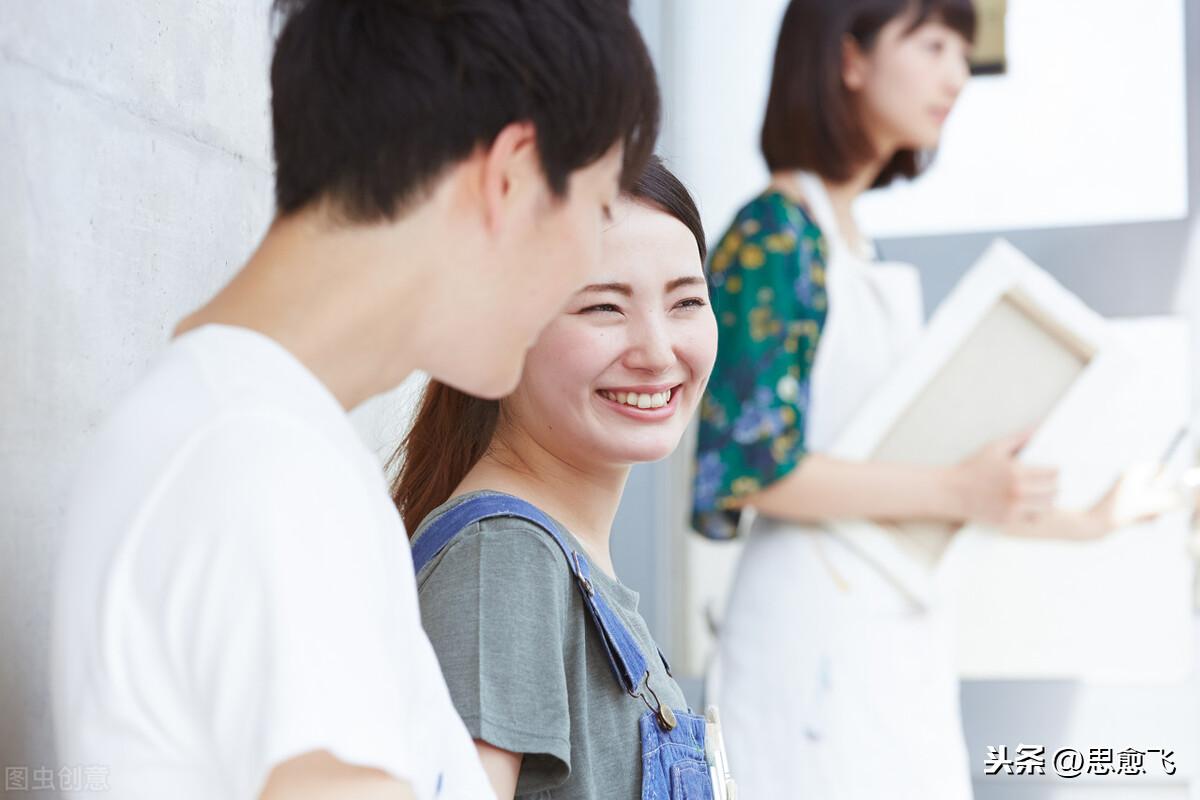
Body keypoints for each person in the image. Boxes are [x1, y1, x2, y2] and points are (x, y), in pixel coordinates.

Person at [51, 1, 659, 798]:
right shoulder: (264, 466)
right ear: (509, 175)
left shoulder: (251, 436)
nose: (590, 258)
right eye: (600, 208)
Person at [691, 1, 1169, 797]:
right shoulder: (775, 235)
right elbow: (752, 465)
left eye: (962, 50)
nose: (956, 74)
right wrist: (955, 487)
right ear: (850, 57)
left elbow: (899, 465)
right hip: (811, 646)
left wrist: (1092, 518)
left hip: (881, 637)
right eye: (935, 44)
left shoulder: (849, 241)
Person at [391, 157, 719, 800]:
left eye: (686, 301)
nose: (656, 351)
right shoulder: (504, 559)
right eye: (602, 306)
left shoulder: (560, 562)